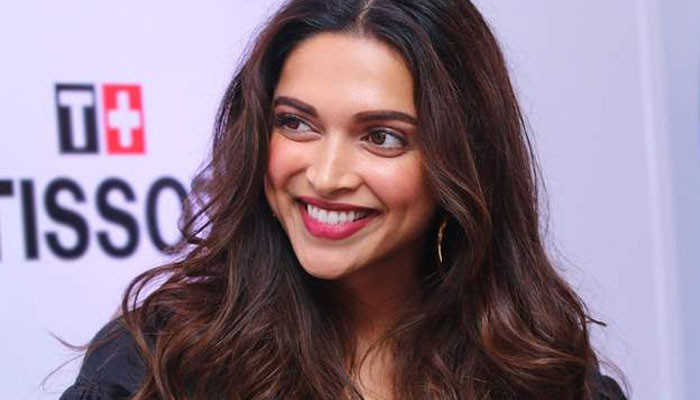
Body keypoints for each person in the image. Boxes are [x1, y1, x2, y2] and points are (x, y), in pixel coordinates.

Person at [60, 0, 627, 398]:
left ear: (463, 161)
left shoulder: (544, 378)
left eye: (382, 137)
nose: (327, 175)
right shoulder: (156, 365)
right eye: (296, 123)